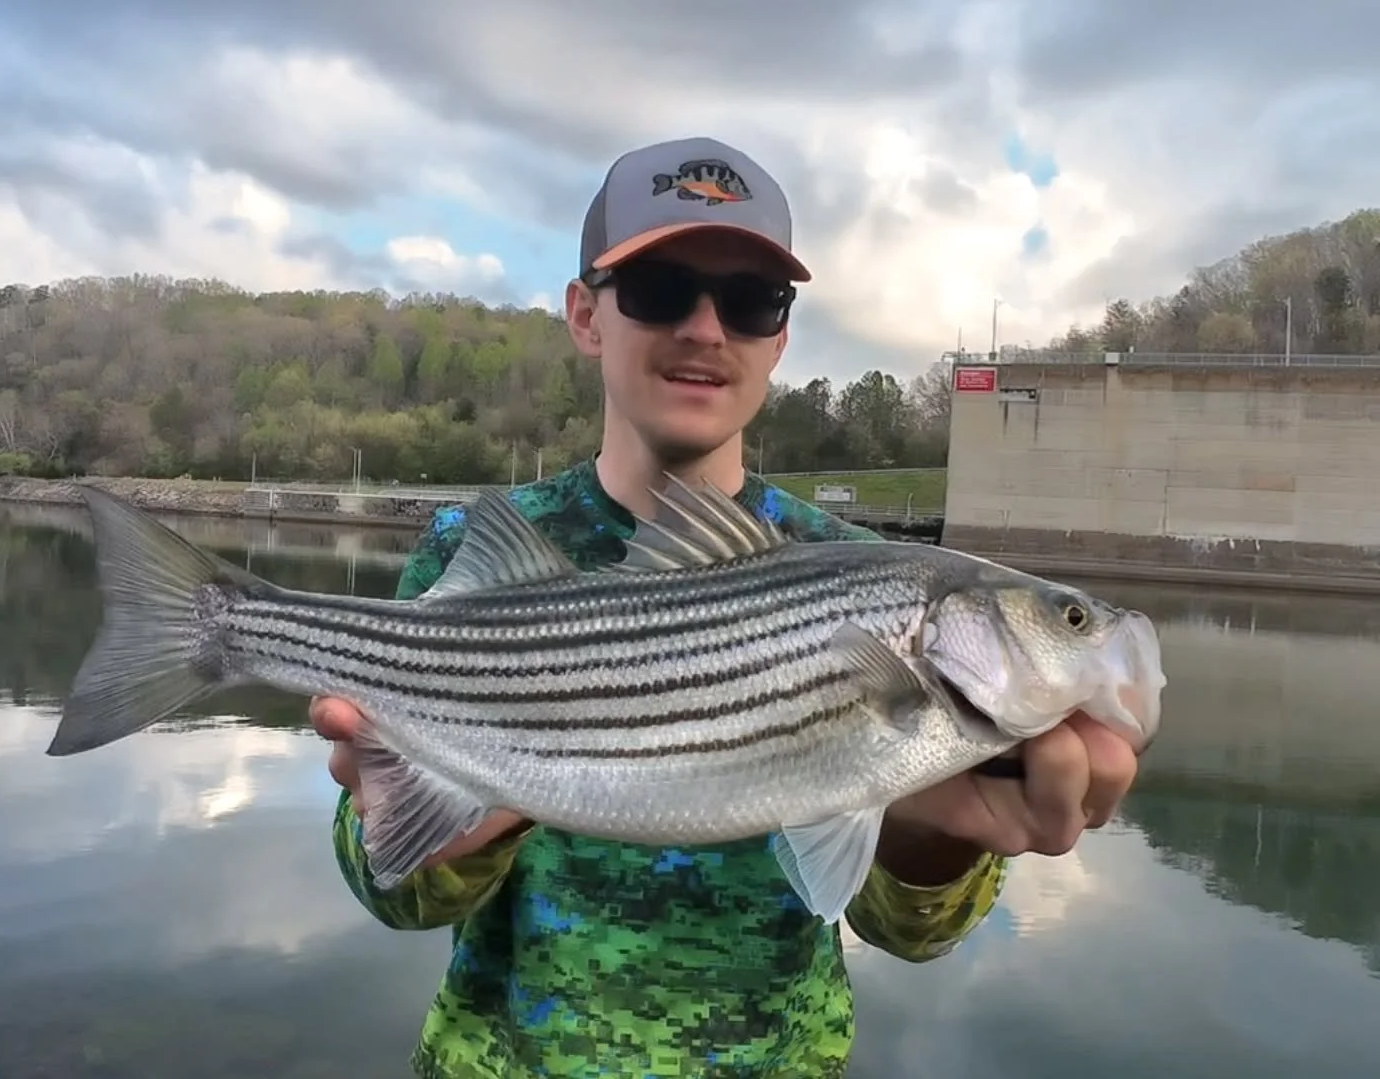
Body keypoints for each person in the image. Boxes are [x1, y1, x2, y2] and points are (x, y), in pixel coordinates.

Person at [309, 136, 1140, 1078]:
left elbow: (916, 933)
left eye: (750, 302)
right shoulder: (473, 545)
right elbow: (392, 892)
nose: (707, 330)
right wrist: (463, 785)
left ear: (779, 340)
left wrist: (926, 829)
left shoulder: (864, 567)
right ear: (585, 314)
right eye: (662, 288)